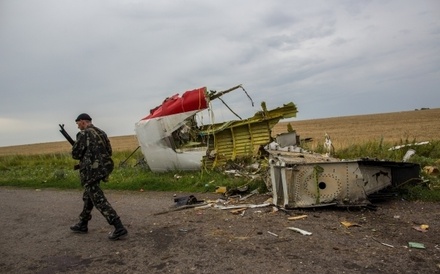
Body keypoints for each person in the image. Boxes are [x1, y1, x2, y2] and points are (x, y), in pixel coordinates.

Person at [69, 113, 128, 240]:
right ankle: (83, 223)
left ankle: (118, 227)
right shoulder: (101, 133)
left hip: (90, 172)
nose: (78, 127)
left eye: (78, 123)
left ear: (83, 122)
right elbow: (109, 151)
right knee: (89, 196)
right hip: (102, 169)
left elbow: (75, 154)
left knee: (98, 199)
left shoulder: (84, 134)